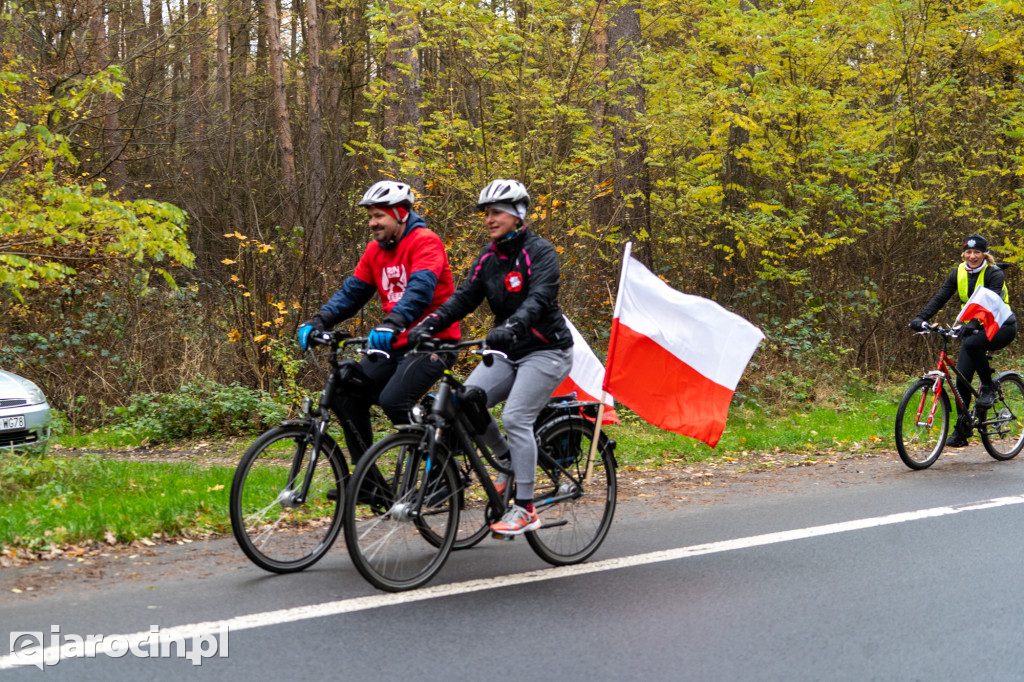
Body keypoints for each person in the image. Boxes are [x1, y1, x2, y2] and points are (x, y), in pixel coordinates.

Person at [407, 179, 574, 536]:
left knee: (516, 417)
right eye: (486, 213)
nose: (489, 219)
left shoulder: (540, 252)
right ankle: (506, 459)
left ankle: (526, 508)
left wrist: (512, 326)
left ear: (518, 215)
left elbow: (540, 298)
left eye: (497, 212)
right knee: (464, 402)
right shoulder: (488, 257)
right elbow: (463, 299)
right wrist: (428, 324)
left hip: (547, 350)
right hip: (507, 350)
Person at [298, 180, 460, 464]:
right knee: (346, 393)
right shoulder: (375, 250)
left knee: (393, 400)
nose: (372, 223)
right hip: (394, 344)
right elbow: (352, 293)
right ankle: (367, 479)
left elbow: (420, 290)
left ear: (401, 214)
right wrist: (320, 320)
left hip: (433, 342)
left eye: (379, 216)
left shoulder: (425, 241)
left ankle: (440, 467)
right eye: (370, 216)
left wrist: (394, 322)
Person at [910, 233, 1017, 447]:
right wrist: (921, 318)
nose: (972, 256)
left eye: (977, 252)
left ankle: (988, 388)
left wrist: (973, 324)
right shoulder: (958, 273)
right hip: (973, 328)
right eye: (968, 252)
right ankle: (962, 430)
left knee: (972, 343)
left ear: (984, 254)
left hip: (1001, 325)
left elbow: (991, 305)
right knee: (962, 379)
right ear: (963, 254)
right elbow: (941, 297)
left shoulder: (994, 274)